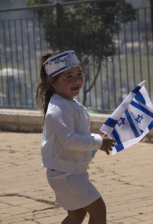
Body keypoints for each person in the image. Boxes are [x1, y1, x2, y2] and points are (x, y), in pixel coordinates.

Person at [36, 50, 116, 224]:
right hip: (66, 174)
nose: (77, 80)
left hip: (70, 172)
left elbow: (77, 136)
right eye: (69, 76)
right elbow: (70, 140)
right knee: (99, 210)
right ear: (53, 82)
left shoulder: (69, 104)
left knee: (77, 214)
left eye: (79, 74)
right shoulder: (58, 108)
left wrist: (97, 139)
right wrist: (98, 142)